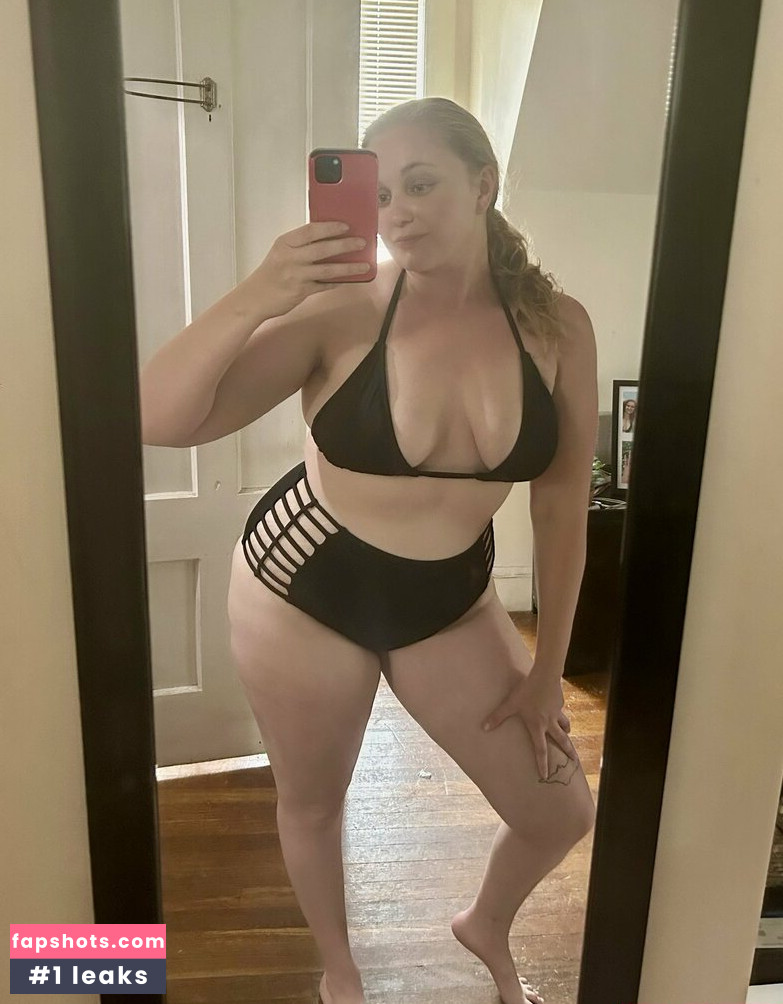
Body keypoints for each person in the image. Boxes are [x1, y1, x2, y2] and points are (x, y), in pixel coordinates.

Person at [140, 97, 598, 1004]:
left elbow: (559, 508)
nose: (396, 213)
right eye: (379, 194)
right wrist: (261, 293)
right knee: (314, 801)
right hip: (302, 584)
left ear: (483, 183)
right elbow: (160, 418)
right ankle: (339, 973)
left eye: (420, 185)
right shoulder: (342, 311)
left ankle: (484, 924)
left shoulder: (557, 327)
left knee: (558, 812)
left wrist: (548, 669)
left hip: (447, 600)